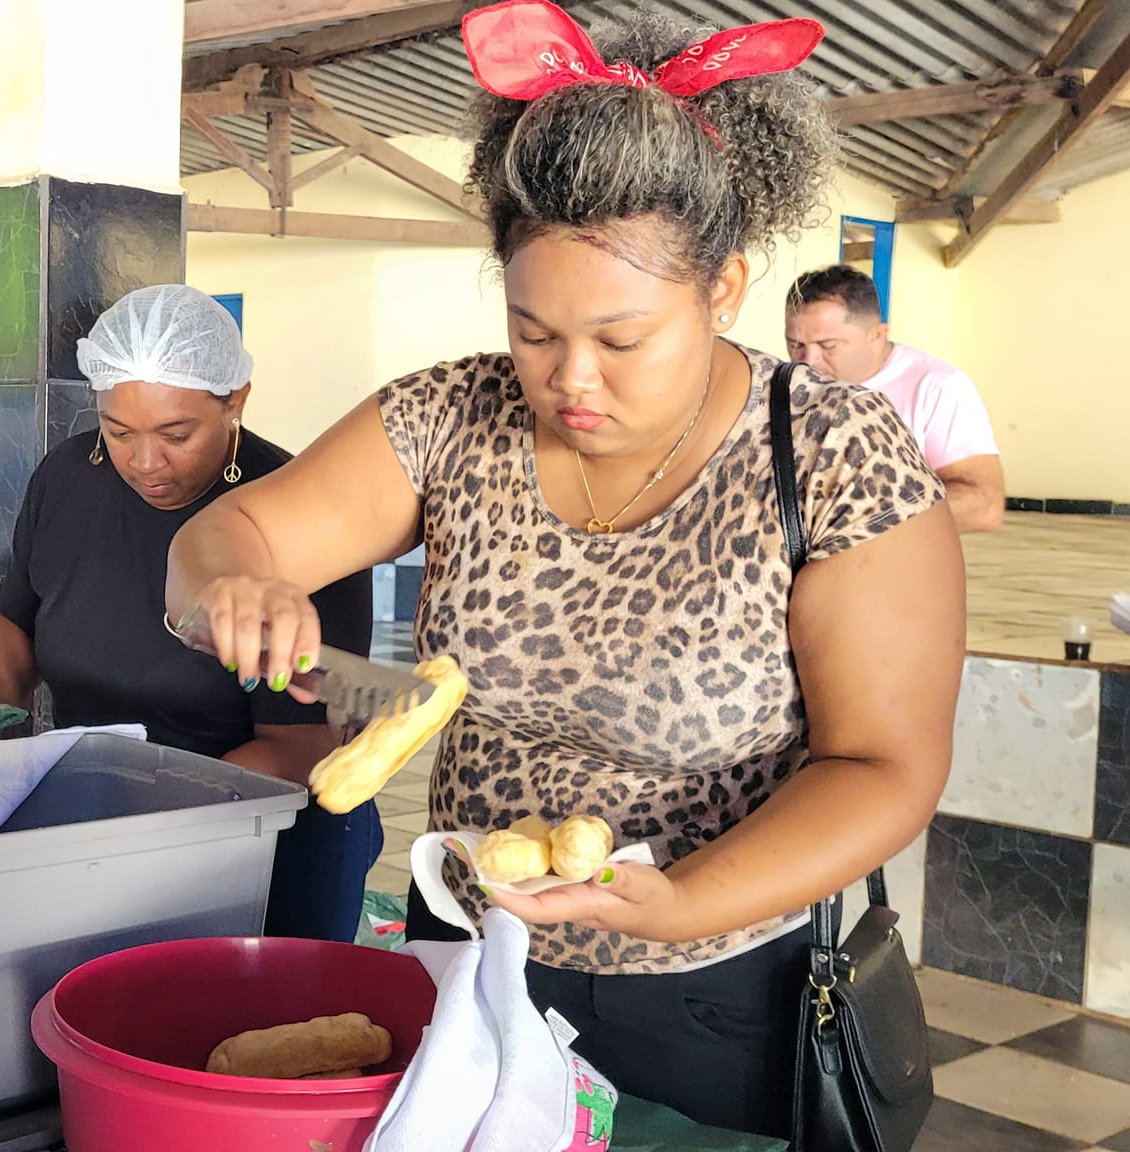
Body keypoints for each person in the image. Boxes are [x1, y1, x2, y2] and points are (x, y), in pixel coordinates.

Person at [162, 3, 962, 1138]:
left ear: (724, 290)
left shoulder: (830, 452)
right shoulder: (454, 413)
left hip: (715, 988)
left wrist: (678, 903)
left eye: (620, 339)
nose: (569, 378)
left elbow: (882, 765)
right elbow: (226, 535)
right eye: (534, 331)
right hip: (475, 954)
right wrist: (234, 584)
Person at [0, 284, 380, 943]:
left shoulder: (303, 517)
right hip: (103, 826)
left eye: (176, 434)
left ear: (236, 400)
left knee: (257, 1003)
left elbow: (299, 747)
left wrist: (143, 812)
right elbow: (17, 622)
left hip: (264, 839)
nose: (145, 463)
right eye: (119, 431)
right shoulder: (66, 479)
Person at [786, 264, 1003, 532]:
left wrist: (853, 520)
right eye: (795, 345)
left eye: (828, 345)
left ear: (876, 336)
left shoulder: (937, 387)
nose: (808, 362)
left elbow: (983, 506)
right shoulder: (787, 385)